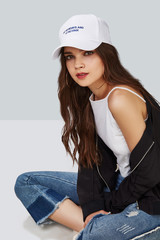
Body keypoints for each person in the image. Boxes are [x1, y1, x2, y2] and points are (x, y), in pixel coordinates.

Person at [14, 14, 160, 240]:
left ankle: (99, 229)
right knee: (26, 183)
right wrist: (93, 208)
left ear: (107, 53)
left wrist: (110, 205)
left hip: (152, 198)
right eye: (70, 56)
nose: (77, 64)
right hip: (123, 184)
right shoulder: (90, 97)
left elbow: (151, 171)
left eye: (88, 53)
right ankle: (95, 226)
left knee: (95, 235)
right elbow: (90, 163)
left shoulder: (119, 98)